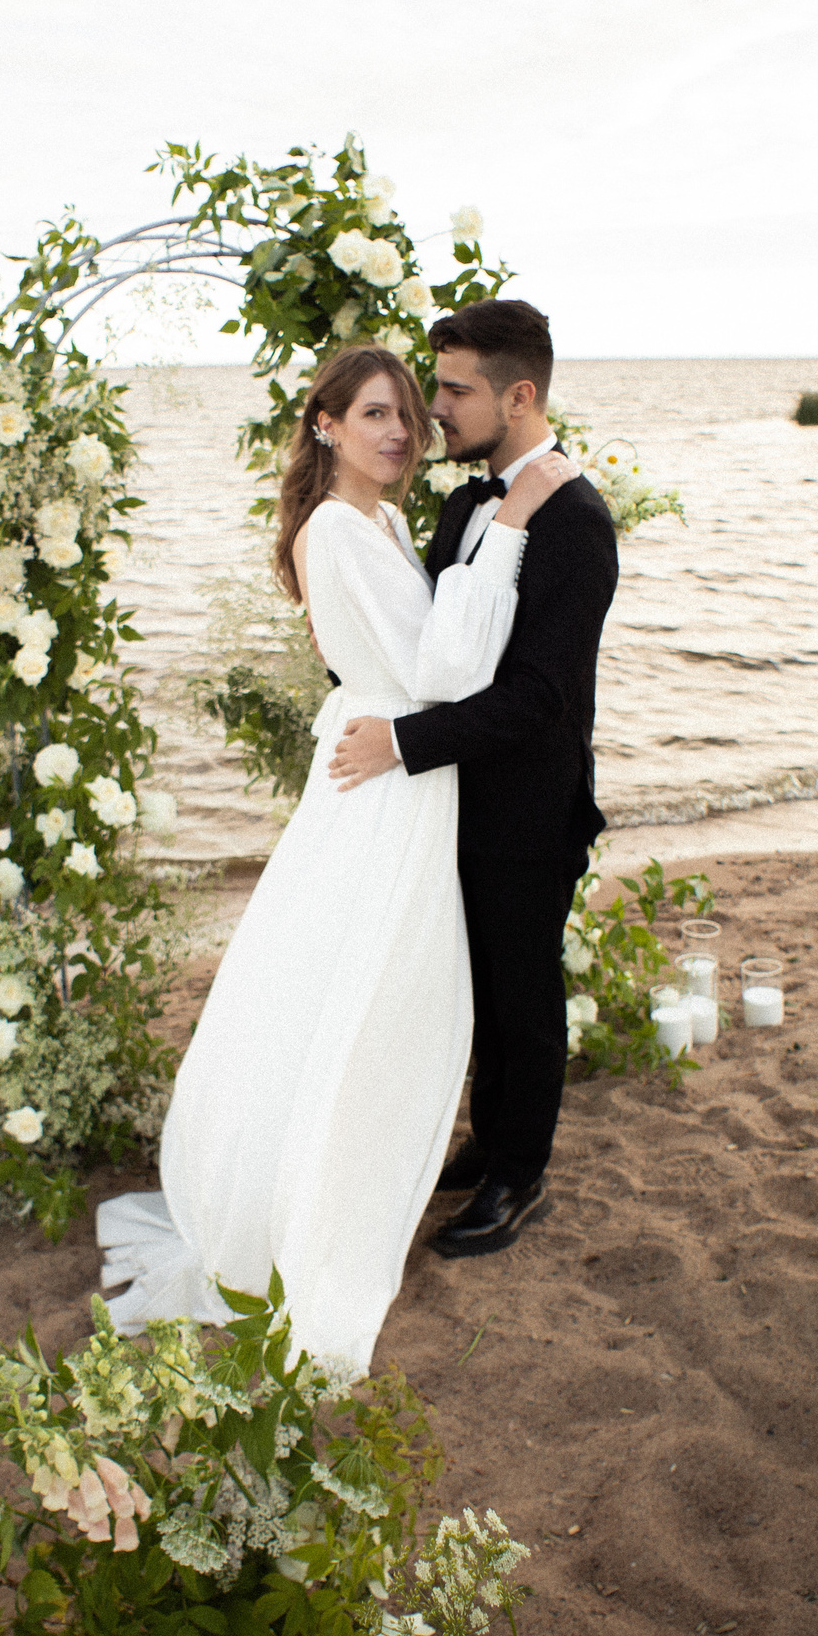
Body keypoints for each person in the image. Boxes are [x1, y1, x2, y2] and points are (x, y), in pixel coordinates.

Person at [95, 341, 569, 1373]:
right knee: (360, 986)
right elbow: (444, 666)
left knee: (367, 983)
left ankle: (356, 1162)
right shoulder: (336, 532)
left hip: (395, 769)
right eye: (373, 415)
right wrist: (516, 528)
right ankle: (315, 1188)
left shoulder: (383, 519)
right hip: (384, 781)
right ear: (324, 425)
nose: (398, 431)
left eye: (407, 412)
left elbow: (421, 654)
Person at [325, 299, 617, 1259]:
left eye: (454, 390)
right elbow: (434, 651)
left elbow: (536, 696)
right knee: (478, 986)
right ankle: (489, 1140)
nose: (431, 410)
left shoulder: (575, 520)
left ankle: (519, 1176)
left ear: (519, 395)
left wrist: (402, 742)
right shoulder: (462, 504)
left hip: (528, 811)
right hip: (450, 798)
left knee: (524, 996)